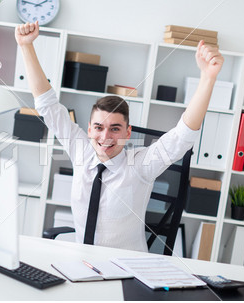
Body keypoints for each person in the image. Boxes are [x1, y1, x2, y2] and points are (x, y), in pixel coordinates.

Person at [15, 21, 224, 252]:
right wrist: (26, 46)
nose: (105, 136)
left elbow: (183, 136)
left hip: (127, 268)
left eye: (115, 128)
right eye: (98, 127)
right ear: (89, 129)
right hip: (81, 261)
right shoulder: (81, 150)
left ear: (128, 132)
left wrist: (208, 78)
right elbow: (48, 106)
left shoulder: (140, 165)